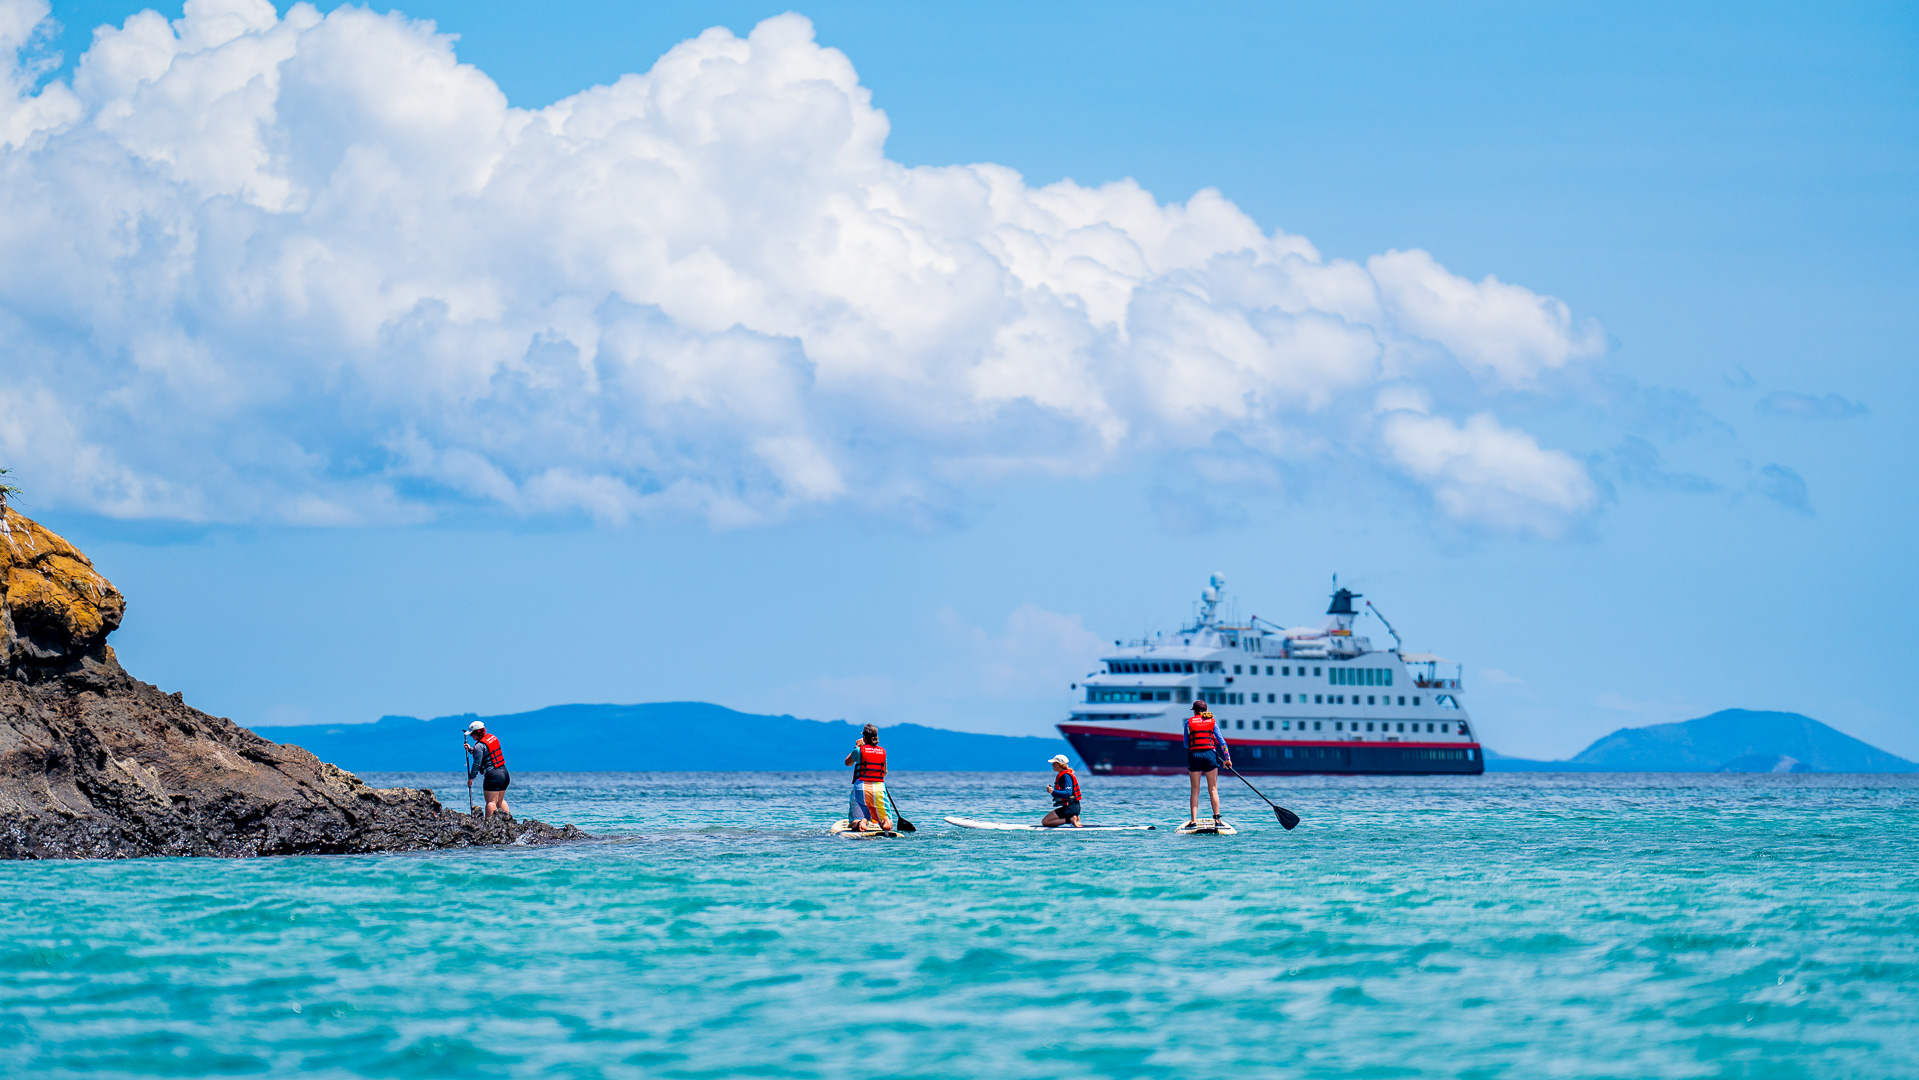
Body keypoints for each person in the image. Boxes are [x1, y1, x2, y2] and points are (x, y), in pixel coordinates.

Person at [1184, 700, 1231, 827]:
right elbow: (1222, 743)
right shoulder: (1213, 722)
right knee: (1213, 789)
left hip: (1195, 756)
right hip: (1210, 755)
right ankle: (1217, 820)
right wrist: (1227, 759)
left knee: (1195, 789)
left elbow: (1186, 744)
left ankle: (1193, 821)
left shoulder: (1188, 723)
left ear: (1194, 711)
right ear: (1206, 710)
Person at [842, 723, 894, 832]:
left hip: (861, 787)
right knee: (885, 821)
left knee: (855, 820)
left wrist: (857, 747)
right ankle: (886, 821)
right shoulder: (883, 752)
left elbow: (848, 762)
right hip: (879, 788)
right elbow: (884, 772)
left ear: (864, 737)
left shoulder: (859, 750)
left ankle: (861, 821)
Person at [465, 720, 511, 818]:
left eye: (472, 734)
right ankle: (509, 822)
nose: (471, 737)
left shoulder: (479, 746)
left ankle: (489, 826)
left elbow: (477, 764)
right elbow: (486, 753)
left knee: (491, 802)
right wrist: (471, 750)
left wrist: (471, 778)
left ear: (476, 733)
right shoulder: (491, 738)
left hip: (493, 776)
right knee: (500, 800)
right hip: (505, 774)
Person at [1041, 753, 1082, 828]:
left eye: (1054, 763)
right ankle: (1072, 818)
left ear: (1059, 765)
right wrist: (1052, 792)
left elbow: (1068, 793)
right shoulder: (1064, 775)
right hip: (1072, 807)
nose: (1052, 765)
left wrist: (1053, 792)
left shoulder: (1066, 776)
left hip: (1071, 808)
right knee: (1046, 821)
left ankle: (1070, 819)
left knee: (1046, 822)